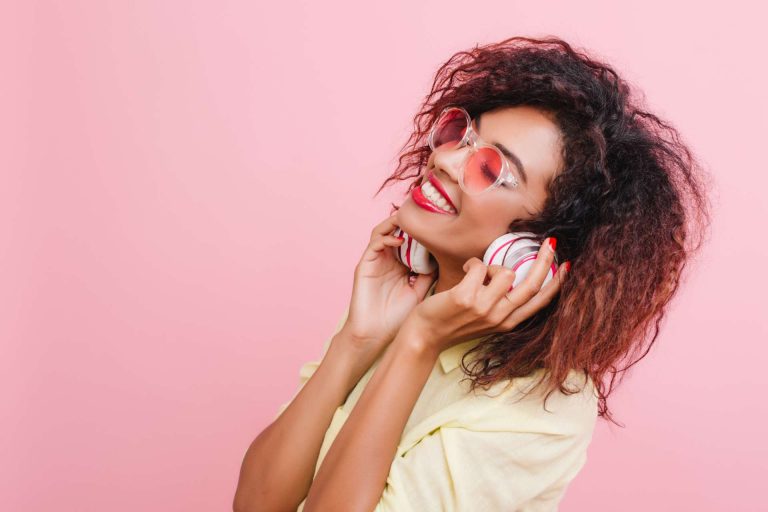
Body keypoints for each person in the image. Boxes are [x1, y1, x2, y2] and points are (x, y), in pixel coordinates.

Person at [233, 35, 711, 512]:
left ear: (529, 253)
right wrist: (355, 343)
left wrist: (419, 342)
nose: (442, 159)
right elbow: (254, 504)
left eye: (489, 167)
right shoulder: (395, 306)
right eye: (463, 136)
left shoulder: (541, 409)